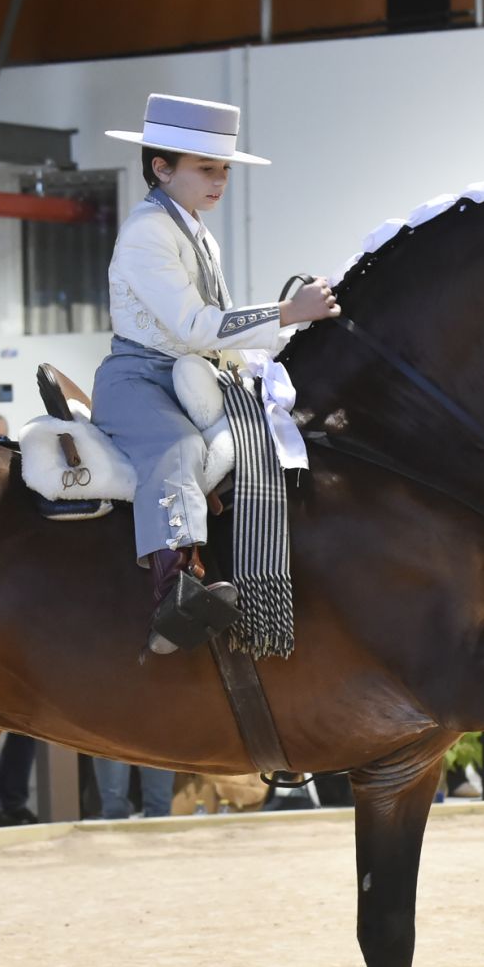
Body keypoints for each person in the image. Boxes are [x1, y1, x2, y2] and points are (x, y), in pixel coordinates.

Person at [98, 92, 340, 654]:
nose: (220, 180)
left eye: (224, 169)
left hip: (193, 373)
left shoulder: (198, 232)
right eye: (206, 168)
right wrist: (285, 313)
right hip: (140, 380)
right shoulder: (146, 232)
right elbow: (193, 325)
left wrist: (283, 338)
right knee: (179, 448)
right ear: (161, 167)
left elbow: (218, 324)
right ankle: (173, 591)